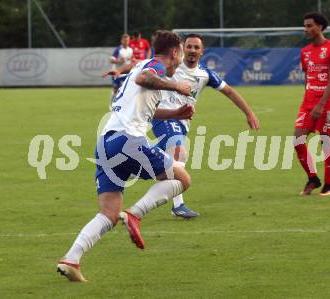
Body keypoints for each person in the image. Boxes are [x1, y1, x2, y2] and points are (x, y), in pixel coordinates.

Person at [57, 30, 193, 282]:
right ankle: (135, 214)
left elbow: (144, 108)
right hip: (128, 140)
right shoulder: (154, 66)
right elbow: (145, 78)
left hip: (106, 143)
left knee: (108, 213)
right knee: (182, 179)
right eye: (182, 54)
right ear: (174, 52)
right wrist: (177, 86)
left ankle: (71, 259)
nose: (181, 60)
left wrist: (175, 113)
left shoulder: (143, 65)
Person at [150, 33, 260, 218]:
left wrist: (249, 113)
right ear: (183, 49)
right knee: (179, 153)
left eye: (196, 47)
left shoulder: (205, 74)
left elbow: (230, 92)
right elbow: (144, 66)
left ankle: (124, 165)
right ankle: (178, 205)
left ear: (202, 52)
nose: (192, 50)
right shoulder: (171, 64)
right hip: (164, 116)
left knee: (158, 160)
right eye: (189, 46)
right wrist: (121, 71)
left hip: (182, 123)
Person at [294, 12, 330, 196]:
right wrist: (309, 100)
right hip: (308, 103)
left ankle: (328, 186)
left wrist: (321, 104)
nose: (305, 29)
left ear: (319, 27)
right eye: (304, 26)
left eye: (309, 26)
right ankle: (313, 178)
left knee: (326, 142)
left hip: (327, 104)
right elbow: (307, 77)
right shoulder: (304, 51)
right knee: (297, 139)